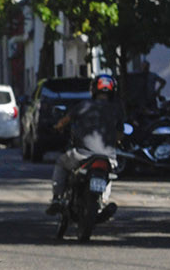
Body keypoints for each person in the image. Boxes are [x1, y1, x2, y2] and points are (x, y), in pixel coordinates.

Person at [49, 74, 123, 216]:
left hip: (82, 155)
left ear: (93, 90)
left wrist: (57, 127)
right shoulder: (117, 109)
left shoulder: (84, 105)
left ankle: (57, 198)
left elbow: (65, 120)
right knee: (109, 174)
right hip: (108, 157)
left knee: (61, 162)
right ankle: (104, 201)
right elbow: (120, 134)